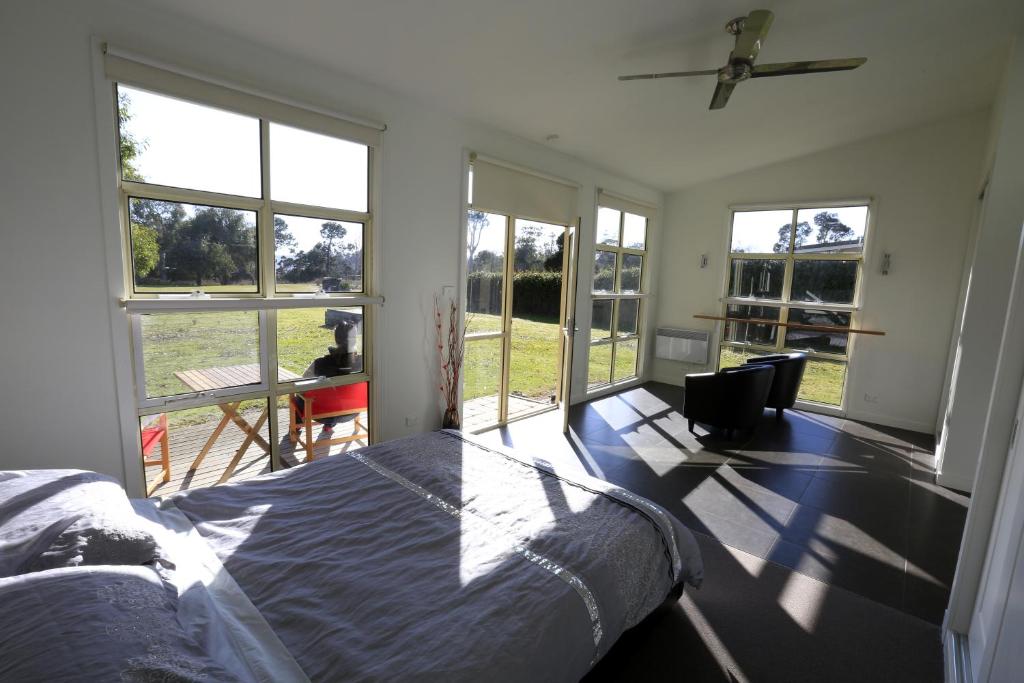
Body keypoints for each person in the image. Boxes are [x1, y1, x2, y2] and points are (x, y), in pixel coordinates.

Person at [293, 321, 360, 435]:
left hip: (320, 414)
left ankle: (297, 426)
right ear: (355, 339)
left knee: (297, 397)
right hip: (352, 411)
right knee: (337, 395)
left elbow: (301, 385)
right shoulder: (363, 362)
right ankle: (329, 426)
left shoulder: (320, 363)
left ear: (336, 339)